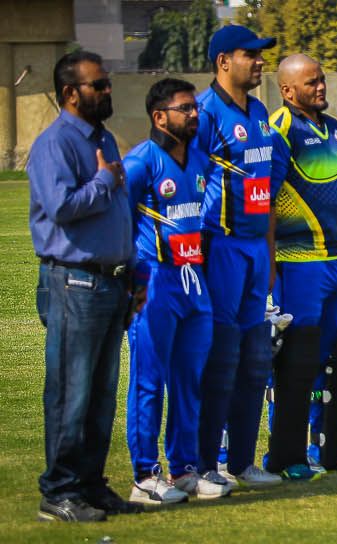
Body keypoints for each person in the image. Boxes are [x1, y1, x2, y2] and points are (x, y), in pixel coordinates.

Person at [30, 50, 143, 522]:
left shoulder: (104, 139)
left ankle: (91, 485)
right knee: (70, 393)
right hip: (74, 281)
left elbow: (117, 213)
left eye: (106, 82)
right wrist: (102, 180)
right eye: (98, 85)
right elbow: (61, 207)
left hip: (110, 282)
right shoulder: (55, 143)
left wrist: (132, 268)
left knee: (100, 394)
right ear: (70, 93)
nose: (107, 90)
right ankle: (59, 491)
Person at [263, 54, 337, 480]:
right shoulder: (280, 130)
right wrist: (269, 263)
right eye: (311, 82)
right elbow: (267, 203)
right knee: (296, 362)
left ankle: (331, 449)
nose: (321, 87)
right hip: (298, 263)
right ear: (287, 91)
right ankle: (286, 456)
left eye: (322, 79)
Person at [195, 25, 284, 488]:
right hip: (221, 248)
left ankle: (243, 462)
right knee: (221, 359)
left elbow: (265, 192)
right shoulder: (204, 114)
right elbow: (189, 186)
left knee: (255, 360)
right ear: (223, 61)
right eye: (250, 54)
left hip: (255, 250)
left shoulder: (261, 112)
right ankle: (205, 463)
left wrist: (269, 252)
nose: (260, 61)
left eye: (261, 54)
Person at [124, 78, 211, 505]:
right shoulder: (140, 163)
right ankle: (144, 476)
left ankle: (184, 469)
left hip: (195, 282)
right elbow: (118, 222)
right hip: (156, 281)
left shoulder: (200, 159)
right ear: (160, 117)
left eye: (195, 108)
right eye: (185, 109)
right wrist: (133, 280)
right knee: (149, 380)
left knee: (189, 380)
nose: (194, 115)